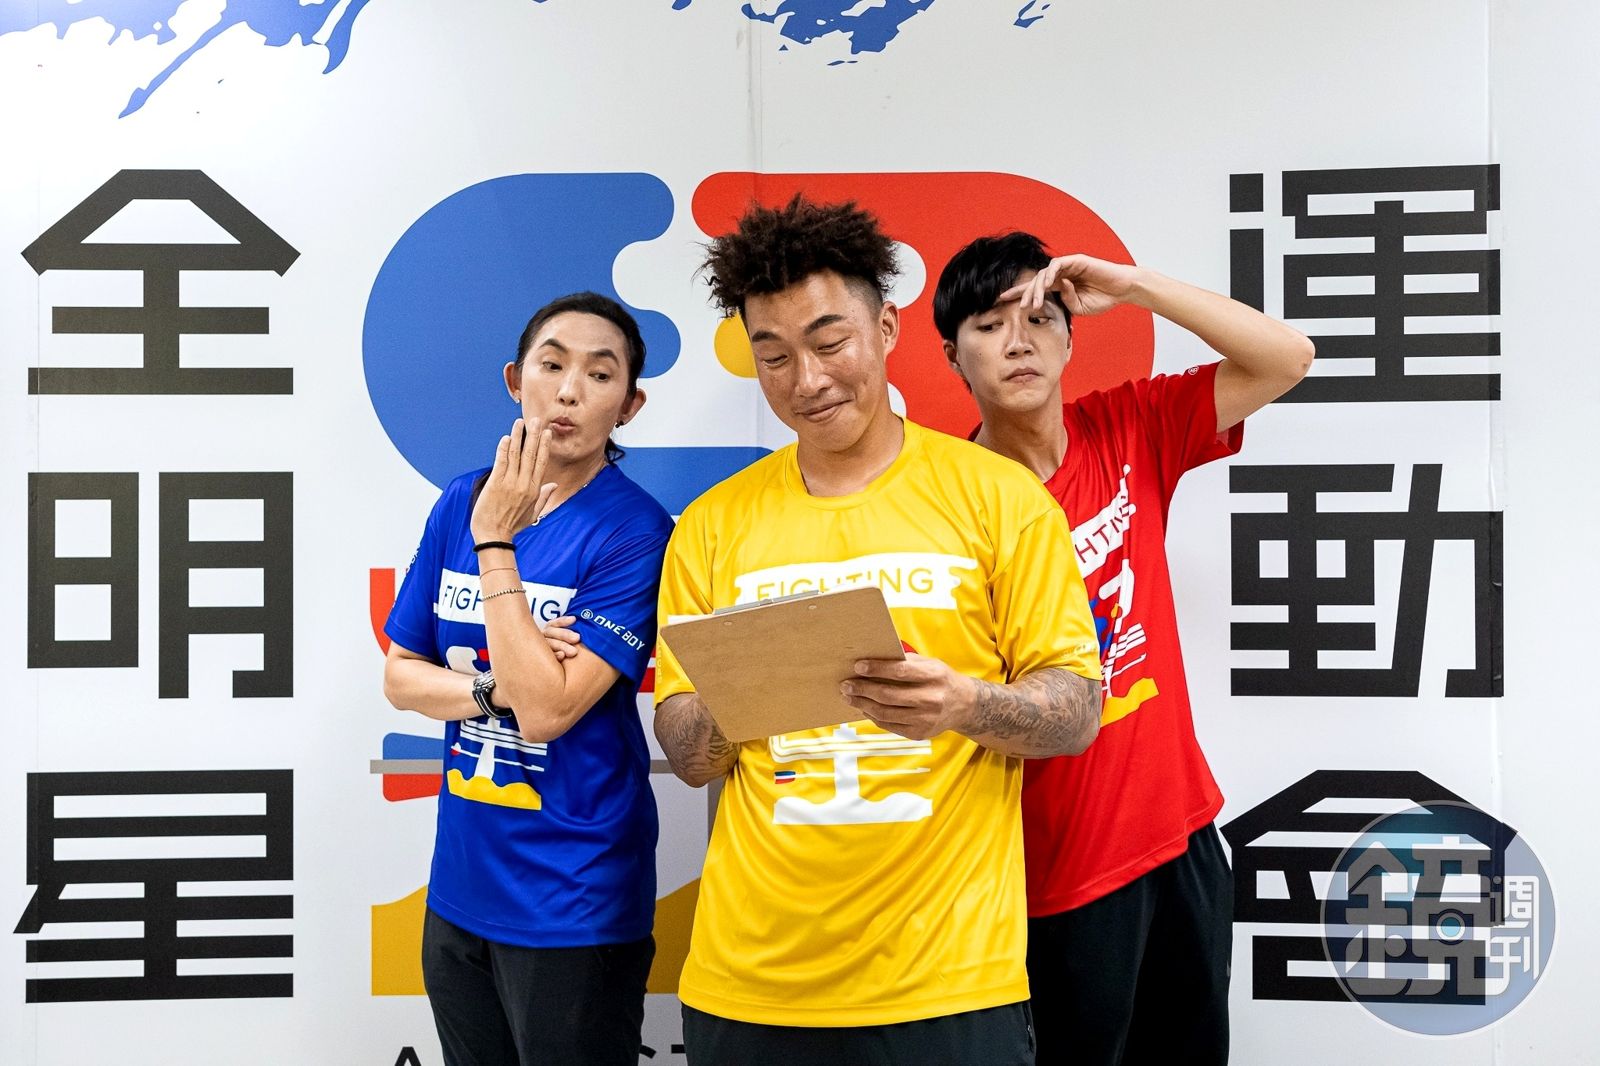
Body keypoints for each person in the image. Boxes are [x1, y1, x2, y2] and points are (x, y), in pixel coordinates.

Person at [652, 196, 1104, 1065]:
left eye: (830, 343)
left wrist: (963, 704)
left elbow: (1076, 712)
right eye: (774, 356)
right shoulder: (711, 526)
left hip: (950, 985)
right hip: (747, 985)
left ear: (887, 328)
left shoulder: (999, 498)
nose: (807, 380)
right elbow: (686, 752)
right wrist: (745, 690)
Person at [931, 233, 1315, 1065]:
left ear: (1071, 339)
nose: (1019, 340)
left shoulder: (1129, 426)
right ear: (953, 356)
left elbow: (1287, 358)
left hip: (1183, 837)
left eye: (1040, 318)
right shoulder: (945, 505)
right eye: (989, 325)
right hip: (1057, 871)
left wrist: (1137, 286)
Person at [381, 292, 673, 1066]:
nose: (569, 391)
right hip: (460, 884)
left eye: (600, 375)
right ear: (516, 380)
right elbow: (401, 677)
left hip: (573, 896)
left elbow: (547, 713)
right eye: (551, 365)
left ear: (630, 405)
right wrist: (496, 687)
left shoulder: (636, 530)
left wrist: (496, 545)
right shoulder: (460, 500)